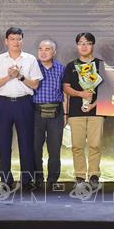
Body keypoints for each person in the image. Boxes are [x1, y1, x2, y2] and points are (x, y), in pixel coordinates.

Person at [0, 27, 43, 188]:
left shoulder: (30, 59)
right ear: (6, 41)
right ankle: (5, 178)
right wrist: (9, 76)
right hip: (4, 104)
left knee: (26, 142)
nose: (15, 42)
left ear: (22, 41)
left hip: (24, 103)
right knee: (4, 142)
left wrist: (19, 76)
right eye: (12, 39)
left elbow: (35, 84)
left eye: (18, 39)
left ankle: (26, 179)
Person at [63, 32, 104, 191]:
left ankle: (94, 176)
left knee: (95, 145)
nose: (84, 46)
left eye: (87, 43)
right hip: (76, 112)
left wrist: (93, 105)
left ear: (93, 45)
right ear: (77, 46)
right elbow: (66, 87)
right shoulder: (71, 66)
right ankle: (80, 177)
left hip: (97, 112)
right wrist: (81, 94)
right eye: (81, 43)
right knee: (77, 146)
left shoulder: (101, 65)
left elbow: (108, 90)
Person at [32, 39, 67, 190]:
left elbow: (65, 93)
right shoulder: (32, 67)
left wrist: (65, 114)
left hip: (56, 112)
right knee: (35, 148)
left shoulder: (61, 68)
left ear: (54, 52)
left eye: (47, 49)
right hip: (35, 112)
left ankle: (52, 179)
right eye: (40, 49)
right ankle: (38, 179)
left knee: (54, 148)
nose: (43, 52)